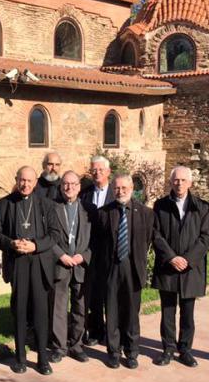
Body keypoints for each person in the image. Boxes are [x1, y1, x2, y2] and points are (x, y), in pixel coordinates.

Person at [0, 166, 61, 375]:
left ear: (35, 182)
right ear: (16, 180)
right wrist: (11, 244)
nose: (25, 184)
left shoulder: (46, 204)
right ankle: (20, 358)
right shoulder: (5, 203)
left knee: (41, 313)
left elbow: (55, 234)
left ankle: (42, 358)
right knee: (20, 312)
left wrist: (35, 245)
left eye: (29, 181)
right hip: (18, 263)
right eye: (22, 180)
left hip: (39, 263)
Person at [151, 166, 209, 367]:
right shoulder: (160, 206)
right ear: (171, 182)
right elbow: (156, 234)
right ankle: (168, 349)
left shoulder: (202, 207)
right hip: (168, 267)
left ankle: (185, 350)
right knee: (167, 312)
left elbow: (206, 237)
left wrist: (187, 259)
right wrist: (171, 257)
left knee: (188, 312)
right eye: (176, 180)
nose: (179, 184)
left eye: (183, 180)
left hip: (190, 268)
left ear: (190, 183)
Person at [96, 173, 154, 369]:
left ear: (132, 189)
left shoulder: (145, 213)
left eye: (124, 188)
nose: (120, 192)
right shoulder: (104, 213)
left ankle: (131, 351)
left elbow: (146, 240)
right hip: (111, 268)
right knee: (111, 311)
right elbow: (99, 243)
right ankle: (113, 351)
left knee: (131, 312)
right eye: (117, 188)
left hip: (132, 267)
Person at [50, 171, 91, 363]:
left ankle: (76, 345)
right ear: (61, 186)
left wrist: (83, 256)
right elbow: (48, 237)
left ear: (79, 187)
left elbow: (96, 240)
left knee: (80, 308)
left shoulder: (89, 209)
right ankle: (59, 347)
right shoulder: (52, 208)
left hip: (81, 266)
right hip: (60, 264)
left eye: (73, 184)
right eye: (66, 184)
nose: (69, 187)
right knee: (58, 308)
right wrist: (61, 255)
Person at [79, 155, 114, 346]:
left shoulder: (116, 193)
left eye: (101, 169)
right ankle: (96, 329)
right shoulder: (84, 194)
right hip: (90, 250)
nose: (97, 173)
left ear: (108, 172)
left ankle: (112, 332)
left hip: (110, 251)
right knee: (93, 293)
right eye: (94, 170)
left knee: (110, 293)